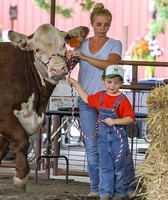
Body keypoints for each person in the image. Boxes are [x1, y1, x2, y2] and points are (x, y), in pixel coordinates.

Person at [66, 3, 136, 198]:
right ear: (92, 24)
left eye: (106, 25)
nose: (102, 28)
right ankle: (97, 188)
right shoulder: (80, 43)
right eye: (98, 24)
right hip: (88, 100)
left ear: (110, 25)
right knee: (92, 146)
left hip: (110, 100)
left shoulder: (115, 44)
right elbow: (68, 53)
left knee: (120, 146)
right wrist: (71, 55)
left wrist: (84, 57)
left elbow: (111, 64)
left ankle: (127, 186)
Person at [67, 65, 135, 200]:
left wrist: (115, 121)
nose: (112, 86)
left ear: (121, 83)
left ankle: (119, 193)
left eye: (116, 83)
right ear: (103, 80)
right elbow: (87, 99)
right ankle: (105, 193)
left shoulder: (123, 100)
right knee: (105, 166)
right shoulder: (100, 97)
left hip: (118, 138)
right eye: (109, 82)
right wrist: (76, 84)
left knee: (119, 167)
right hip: (103, 138)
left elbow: (130, 118)